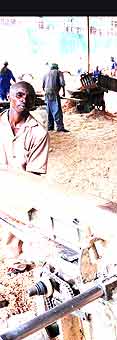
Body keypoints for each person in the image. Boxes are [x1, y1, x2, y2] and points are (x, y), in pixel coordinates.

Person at [0, 81, 50, 273]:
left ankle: (15, 260)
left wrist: (21, 197)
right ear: (8, 97)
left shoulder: (38, 132)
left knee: (16, 221)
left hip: (21, 186)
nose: (24, 99)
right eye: (19, 95)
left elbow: (35, 172)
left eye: (29, 97)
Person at [42, 63, 69, 132]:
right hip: (54, 93)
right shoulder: (59, 72)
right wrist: (63, 92)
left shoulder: (46, 73)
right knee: (57, 110)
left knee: (49, 110)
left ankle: (50, 126)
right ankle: (60, 127)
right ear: (57, 68)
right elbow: (62, 83)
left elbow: (43, 86)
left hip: (46, 94)